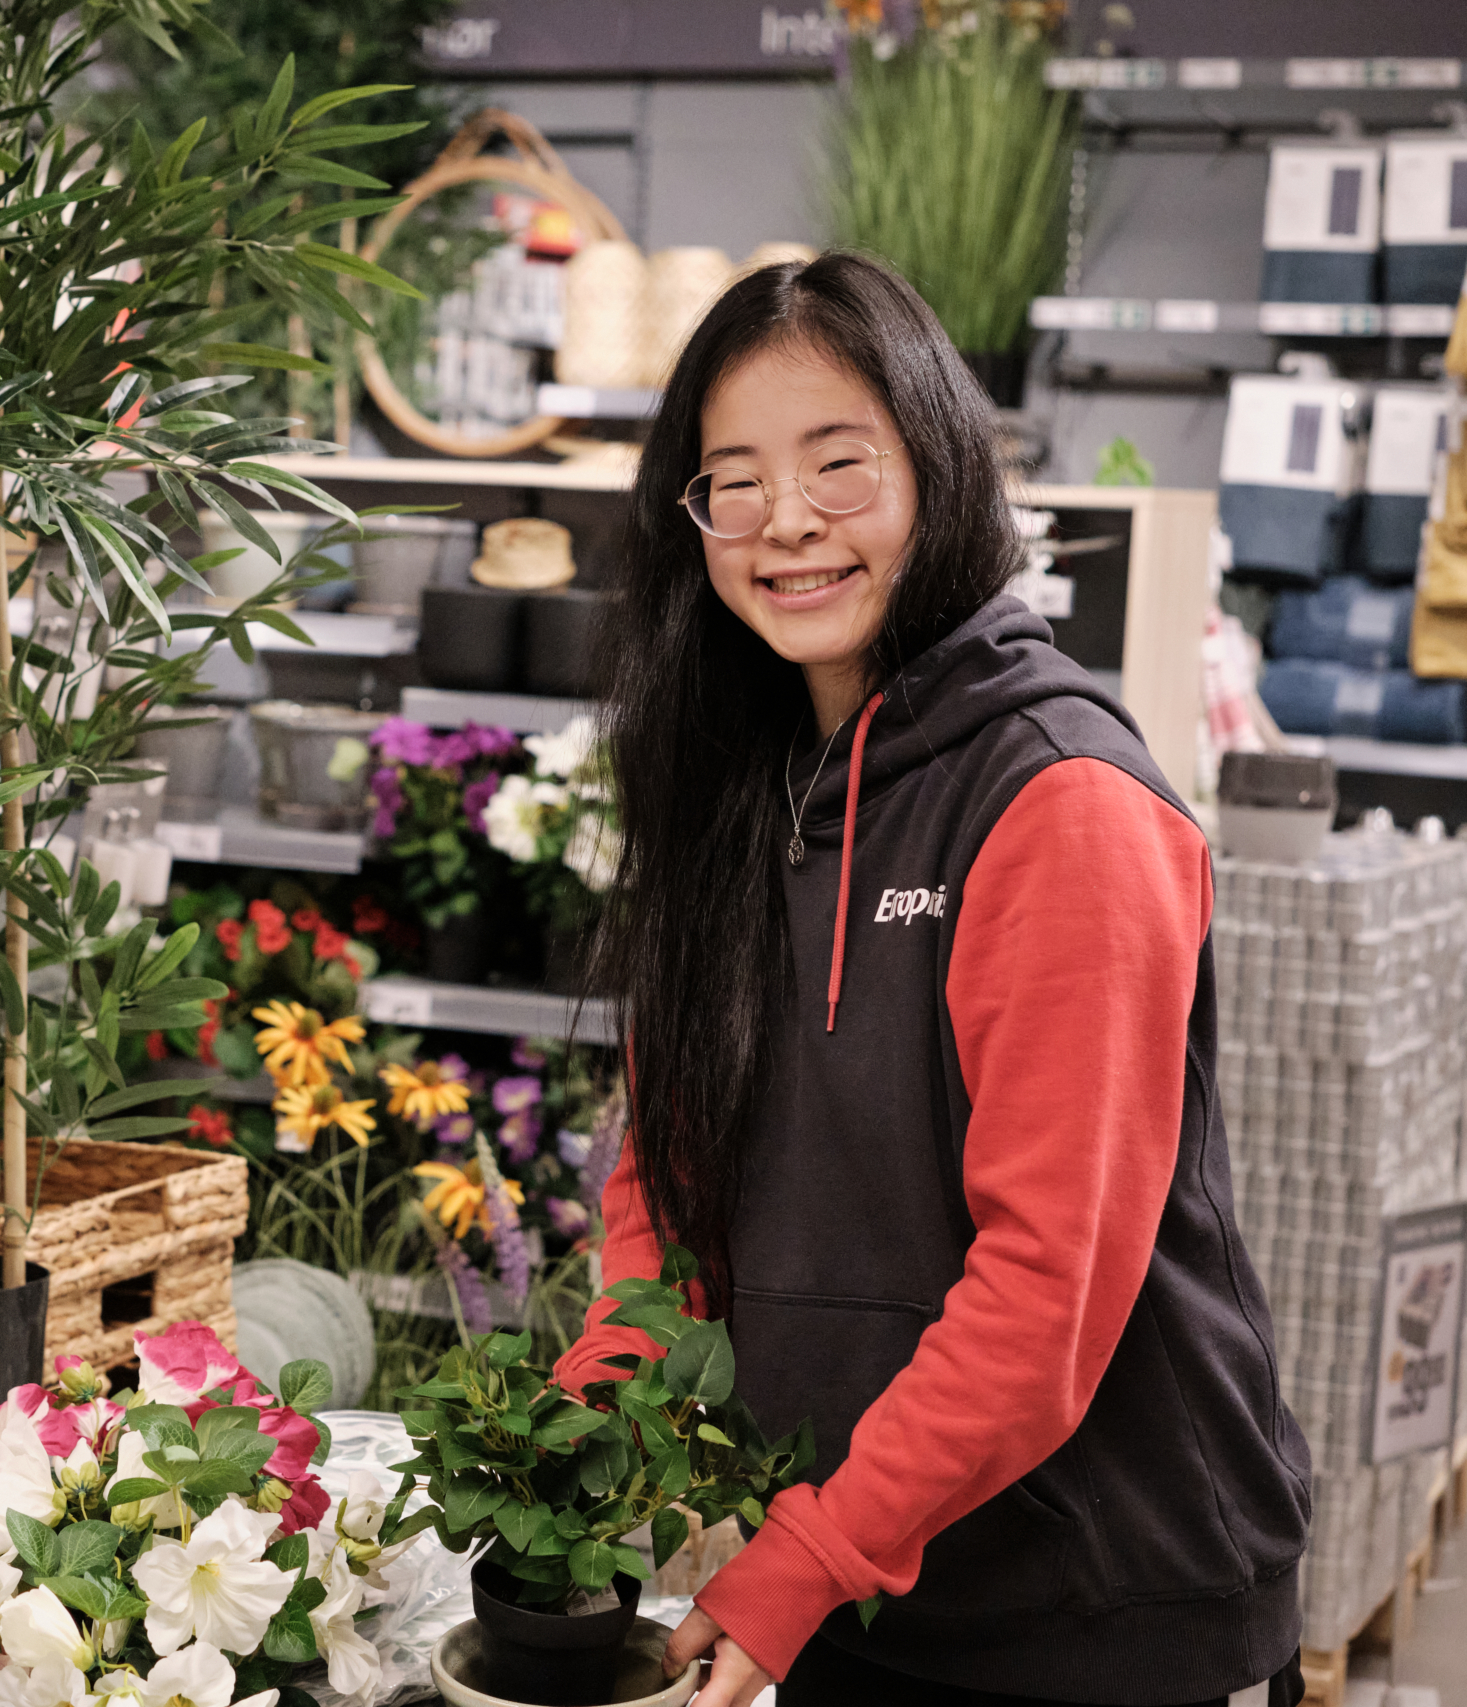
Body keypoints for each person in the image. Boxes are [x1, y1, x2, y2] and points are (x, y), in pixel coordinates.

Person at [554, 252, 1312, 1707]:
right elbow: (669, 1182)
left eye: (841, 465)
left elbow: (1045, 1296)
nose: (787, 522)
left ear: (943, 471)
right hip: (869, 1581)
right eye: (736, 480)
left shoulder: (1064, 803)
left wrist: (812, 1556)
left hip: (1105, 1611)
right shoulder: (741, 796)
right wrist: (591, 1437)